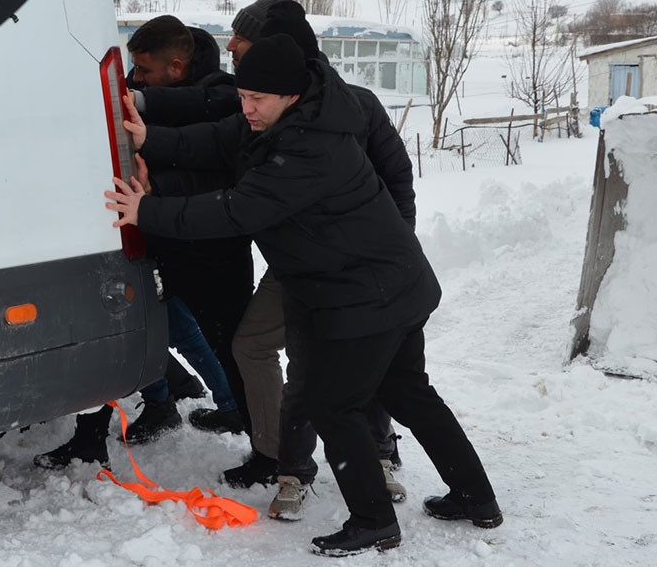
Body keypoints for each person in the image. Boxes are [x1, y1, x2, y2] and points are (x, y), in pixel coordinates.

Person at [106, 34, 502, 556]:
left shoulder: (311, 147)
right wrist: (149, 136)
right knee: (407, 392)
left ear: (290, 95)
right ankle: (476, 496)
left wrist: (148, 212)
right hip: (388, 282)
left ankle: (374, 521)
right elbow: (218, 138)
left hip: (369, 294)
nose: (244, 109)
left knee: (334, 405)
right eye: (242, 96)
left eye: (256, 101)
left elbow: (236, 209)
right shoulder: (285, 118)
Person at [223, 0, 417, 520]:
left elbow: (396, 178)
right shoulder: (252, 109)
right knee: (292, 361)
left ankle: (378, 457)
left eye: (246, 50)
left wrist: (388, 254)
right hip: (295, 266)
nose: (238, 61)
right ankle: (289, 467)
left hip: (360, 266)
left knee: (364, 365)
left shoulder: (354, 105)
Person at [33, 16, 252, 469]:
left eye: (145, 72)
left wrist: (157, 185)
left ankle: (262, 437)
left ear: (175, 66)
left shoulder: (220, 96)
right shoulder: (164, 86)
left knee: (224, 344)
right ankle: (124, 420)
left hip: (206, 249)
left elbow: (212, 166)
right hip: (153, 234)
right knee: (141, 325)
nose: (136, 80)